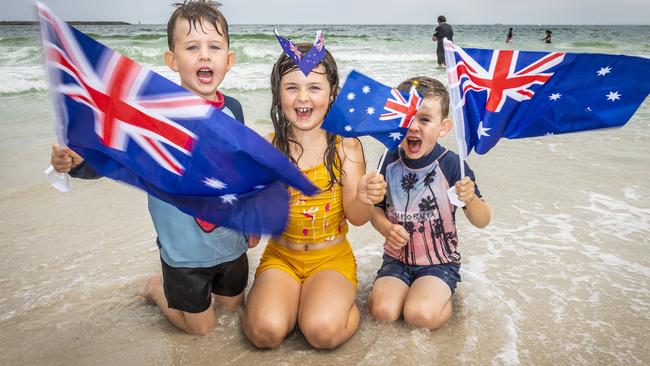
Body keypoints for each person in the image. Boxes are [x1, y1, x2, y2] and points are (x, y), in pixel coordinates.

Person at [50, 0, 259, 336]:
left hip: (231, 243)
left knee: (233, 309)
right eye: (192, 47)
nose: (205, 55)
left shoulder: (233, 109)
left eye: (214, 47)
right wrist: (77, 163)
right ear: (172, 61)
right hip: (183, 252)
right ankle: (155, 288)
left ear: (229, 61)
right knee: (202, 330)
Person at [241, 41, 387, 349]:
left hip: (330, 258)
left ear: (332, 94)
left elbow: (358, 219)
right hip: (281, 257)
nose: (303, 97)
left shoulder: (346, 146)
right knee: (264, 334)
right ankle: (287, 305)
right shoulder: (267, 149)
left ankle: (334, 306)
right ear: (278, 94)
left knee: (322, 333)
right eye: (292, 87)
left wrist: (363, 195)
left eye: (314, 87)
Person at [365, 76, 491, 330]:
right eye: (407, 118)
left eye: (424, 119)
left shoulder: (453, 164)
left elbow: (482, 220)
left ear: (443, 127)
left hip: (439, 262)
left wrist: (471, 199)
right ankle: (411, 292)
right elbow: (375, 212)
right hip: (396, 260)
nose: (413, 127)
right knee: (382, 312)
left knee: (418, 316)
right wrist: (386, 229)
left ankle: (440, 298)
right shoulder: (387, 161)